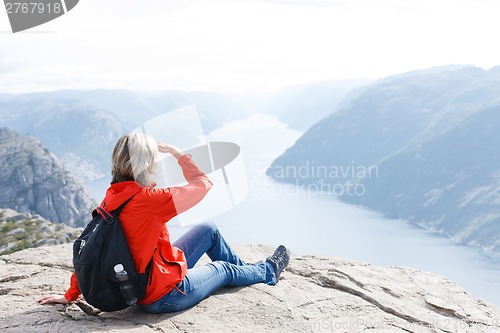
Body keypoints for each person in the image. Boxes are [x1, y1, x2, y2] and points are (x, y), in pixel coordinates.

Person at [36, 132, 290, 313]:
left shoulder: (112, 197)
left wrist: (70, 295)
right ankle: (267, 272)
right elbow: (203, 185)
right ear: (146, 163)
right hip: (162, 296)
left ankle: (244, 275)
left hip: (147, 277)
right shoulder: (150, 200)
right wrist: (179, 155)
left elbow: (93, 252)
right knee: (222, 268)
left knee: (208, 230)